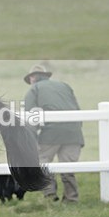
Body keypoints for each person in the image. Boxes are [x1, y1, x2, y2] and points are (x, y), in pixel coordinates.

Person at [23, 64, 84, 203]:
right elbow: (77, 109)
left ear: (32, 78)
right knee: (68, 167)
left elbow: (30, 117)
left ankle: (50, 196)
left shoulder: (34, 89)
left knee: (42, 163)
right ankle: (71, 198)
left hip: (51, 133)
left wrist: (32, 140)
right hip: (74, 132)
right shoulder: (64, 86)